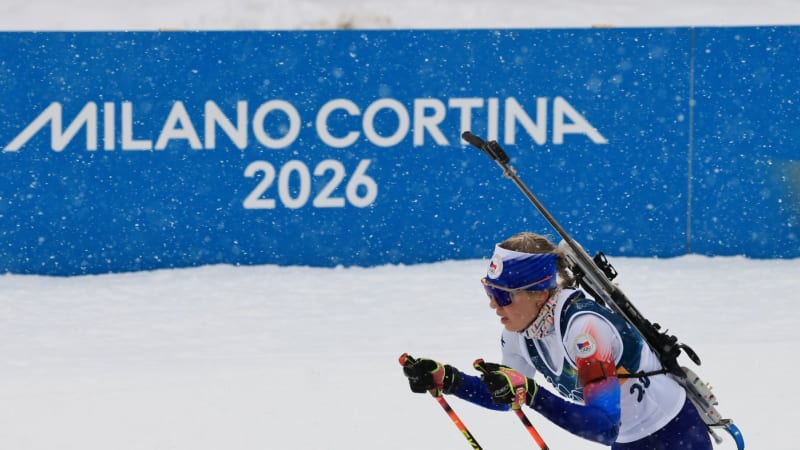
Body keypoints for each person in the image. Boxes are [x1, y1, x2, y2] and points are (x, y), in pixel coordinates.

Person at [401, 231, 711, 449]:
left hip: (674, 435)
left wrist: (533, 394)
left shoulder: (585, 330)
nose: (493, 305)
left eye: (502, 295)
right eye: (489, 291)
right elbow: (508, 394)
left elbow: (604, 426)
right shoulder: (518, 333)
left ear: (538, 293)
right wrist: (450, 380)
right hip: (628, 442)